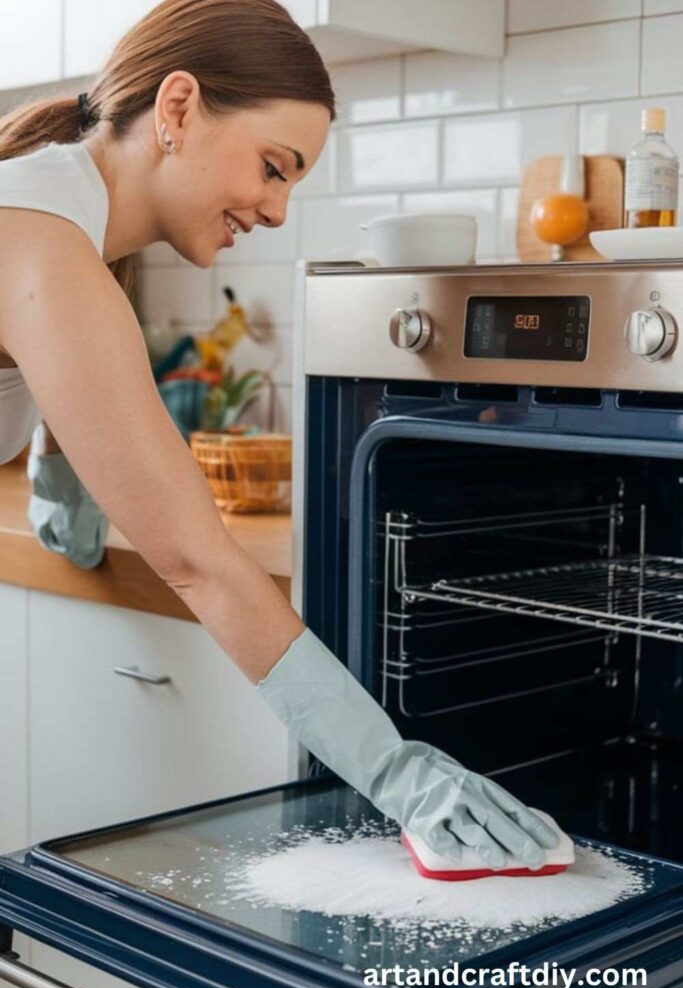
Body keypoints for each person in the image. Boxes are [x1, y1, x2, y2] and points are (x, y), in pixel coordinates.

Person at [0, 0, 559, 871]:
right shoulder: (43, 241)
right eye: (273, 167)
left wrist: (61, 454)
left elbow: (72, 490)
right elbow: (197, 562)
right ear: (177, 109)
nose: (275, 209)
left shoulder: (55, 214)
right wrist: (401, 775)